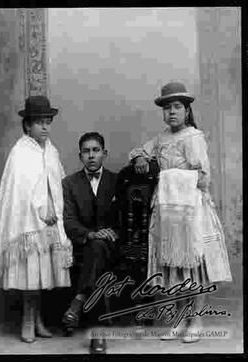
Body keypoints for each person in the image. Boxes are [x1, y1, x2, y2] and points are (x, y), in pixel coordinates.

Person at [129, 82, 232, 343]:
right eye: (167, 108)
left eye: (177, 107)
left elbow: (204, 178)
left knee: (194, 266)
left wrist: (168, 177)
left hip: (191, 210)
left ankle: (195, 320)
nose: (171, 112)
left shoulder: (193, 138)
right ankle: (177, 318)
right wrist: (140, 158)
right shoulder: (161, 138)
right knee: (173, 266)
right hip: (167, 210)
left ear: (187, 111)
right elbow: (139, 150)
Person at [0, 96, 73, 343]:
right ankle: (27, 320)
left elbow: (57, 183)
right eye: (39, 122)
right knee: (30, 274)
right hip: (28, 223)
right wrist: (39, 209)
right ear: (27, 125)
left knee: (41, 275)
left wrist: (53, 210)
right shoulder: (20, 153)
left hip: (49, 224)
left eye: (48, 122)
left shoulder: (51, 150)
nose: (45, 127)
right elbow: (18, 192)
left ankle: (38, 319)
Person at [62, 132, 119, 354]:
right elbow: (68, 221)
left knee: (99, 249)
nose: (91, 155)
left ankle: (78, 301)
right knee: (95, 248)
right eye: (86, 151)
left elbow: (126, 218)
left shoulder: (117, 181)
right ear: (80, 156)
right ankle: (98, 334)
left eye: (96, 150)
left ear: (104, 154)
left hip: (114, 247)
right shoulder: (69, 183)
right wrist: (89, 235)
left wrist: (113, 233)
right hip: (84, 245)